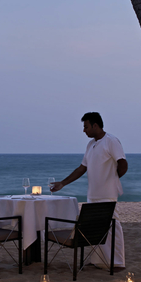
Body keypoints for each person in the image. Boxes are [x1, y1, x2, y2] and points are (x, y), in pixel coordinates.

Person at [51, 112, 128, 268]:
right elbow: (82, 168)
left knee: (113, 228)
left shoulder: (111, 141)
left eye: (86, 126)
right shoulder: (90, 145)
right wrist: (63, 183)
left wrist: (112, 178)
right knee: (95, 228)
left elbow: (123, 164)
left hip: (107, 194)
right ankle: (98, 261)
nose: (84, 130)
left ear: (95, 125)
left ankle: (118, 263)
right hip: (93, 194)